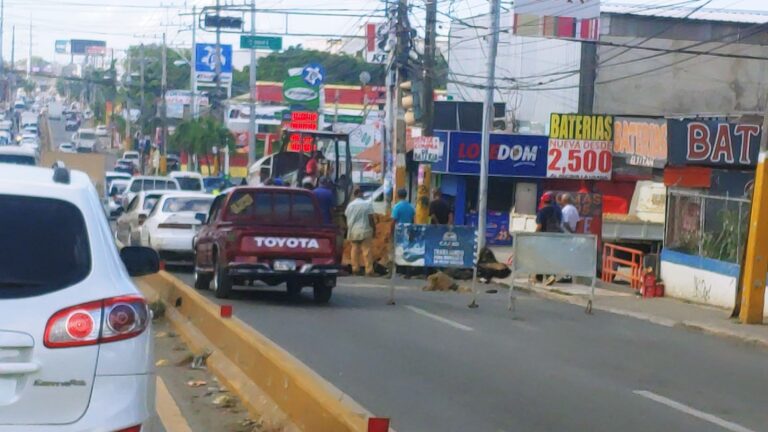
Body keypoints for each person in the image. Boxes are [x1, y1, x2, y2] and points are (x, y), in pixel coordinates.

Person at [345, 187, 375, 276]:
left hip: (353, 230)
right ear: (361, 194)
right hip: (365, 229)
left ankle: (355, 270)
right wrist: (374, 228)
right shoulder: (367, 204)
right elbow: (371, 218)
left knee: (354, 250)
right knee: (366, 251)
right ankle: (369, 271)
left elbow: (346, 216)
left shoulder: (350, 205)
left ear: (354, 195)